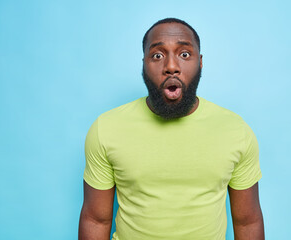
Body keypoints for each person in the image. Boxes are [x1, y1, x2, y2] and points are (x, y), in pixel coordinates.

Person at [79, 18, 264, 240]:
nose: (171, 66)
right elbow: (95, 219)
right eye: (157, 55)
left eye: (184, 54)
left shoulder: (236, 131)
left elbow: (248, 221)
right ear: (144, 63)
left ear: (200, 62)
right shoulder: (106, 129)